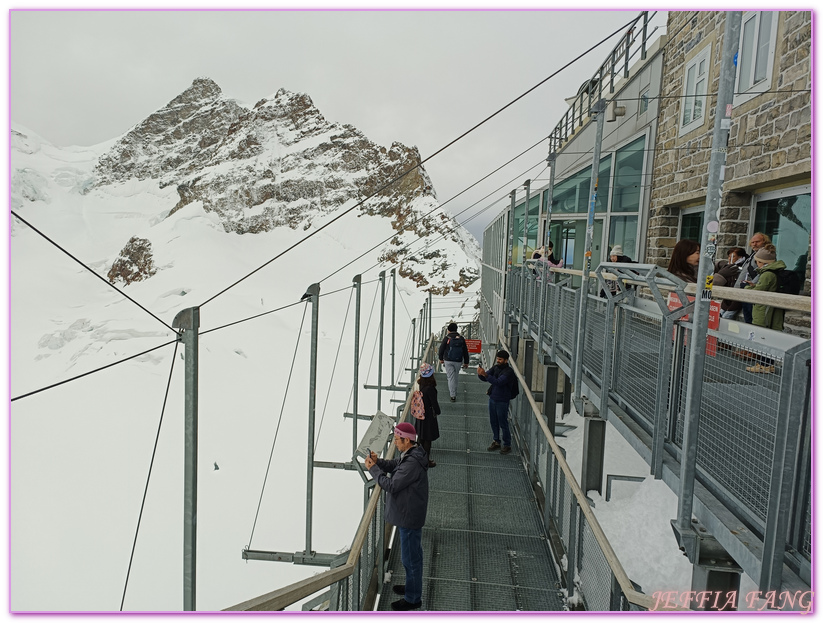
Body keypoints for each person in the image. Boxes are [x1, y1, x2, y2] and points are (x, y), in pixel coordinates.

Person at [365, 422, 429, 611]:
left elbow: (392, 485)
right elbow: (396, 466)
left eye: (397, 439)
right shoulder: (412, 454)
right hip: (410, 513)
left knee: (411, 559)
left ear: (407, 440)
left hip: (409, 516)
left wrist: (373, 470)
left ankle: (413, 599)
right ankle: (412, 588)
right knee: (413, 556)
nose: (395, 442)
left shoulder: (412, 462)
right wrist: (379, 462)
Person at [743, 244, 786, 373]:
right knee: (767, 337)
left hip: (763, 311)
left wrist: (748, 287)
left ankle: (765, 365)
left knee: (763, 337)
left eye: (757, 261)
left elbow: (758, 291)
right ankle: (766, 364)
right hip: (770, 310)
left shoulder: (767, 274)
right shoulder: (773, 272)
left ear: (761, 262)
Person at [477, 349, 519, 455]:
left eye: (500, 359)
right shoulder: (496, 368)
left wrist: (485, 375)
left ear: (506, 360)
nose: (498, 361)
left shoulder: (509, 372)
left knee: (503, 422)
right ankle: (496, 441)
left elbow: (498, 382)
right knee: (493, 421)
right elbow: (486, 378)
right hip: (493, 398)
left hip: (502, 400)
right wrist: (480, 374)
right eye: (497, 359)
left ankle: (507, 444)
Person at [733, 232, 772, 323]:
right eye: (752, 242)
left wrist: (752, 285)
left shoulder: (766, 254)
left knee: (751, 318)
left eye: (757, 242)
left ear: (764, 242)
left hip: (752, 290)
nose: (754, 244)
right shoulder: (752, 255)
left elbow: (764, 271)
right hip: (745, 289)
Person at [414, 363, 440, 467]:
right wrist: (437, 411)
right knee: (427, 439)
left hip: (420, 414)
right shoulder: (430, 388)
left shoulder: (421, 384)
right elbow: (434, 403)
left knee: (420, 437)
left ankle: (417, 458)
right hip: (428, 416)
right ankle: (425, 461)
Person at [438, 322, 469, 402]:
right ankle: (454, 390)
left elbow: (441, 349)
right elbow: (465, 350)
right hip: (458, 360)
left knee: (450, 377)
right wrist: (466, 362)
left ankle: (453, 395)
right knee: (455, 376)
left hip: (448, 360)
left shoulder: (447, 338)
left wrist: (441, 358)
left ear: (448, 330)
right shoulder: (461, 338)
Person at [717, 247, 748, 318]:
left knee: (726, 317)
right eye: (729, 256)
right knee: (719, 316)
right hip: (726, 300)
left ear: (740, 257)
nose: (730, 259)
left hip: (736, 300)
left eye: (733, 256)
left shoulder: (742, 269)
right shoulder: (726, 268)